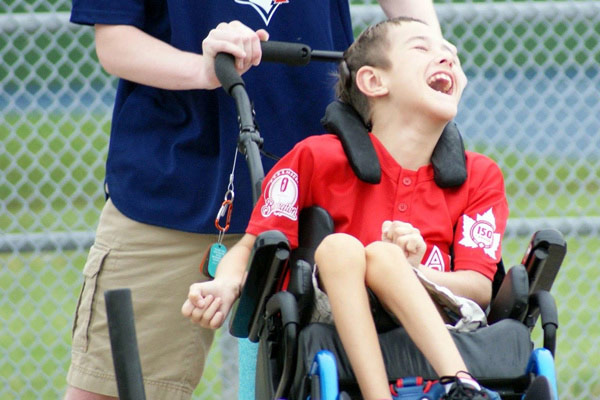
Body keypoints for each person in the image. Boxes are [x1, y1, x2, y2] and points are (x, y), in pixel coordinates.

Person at [64, 1, 445, 399]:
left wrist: (432, 53)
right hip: (172, 186)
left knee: (362, 379)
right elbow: (115, 42)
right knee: (111, 388)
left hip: (325, 187)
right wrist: (203, 70)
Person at [182, 17, 508, 400]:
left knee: (386, 258)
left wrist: (414, 272)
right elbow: (254, 244)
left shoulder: (479, 175)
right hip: (332, 309)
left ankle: (463, 385)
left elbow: (479, 287)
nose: (446, 59)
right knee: (341, 248)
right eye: (422, 48)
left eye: (450, 54)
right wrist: (225, 284)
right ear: (373, 81)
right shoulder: (317, 158)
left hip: (442, 313)